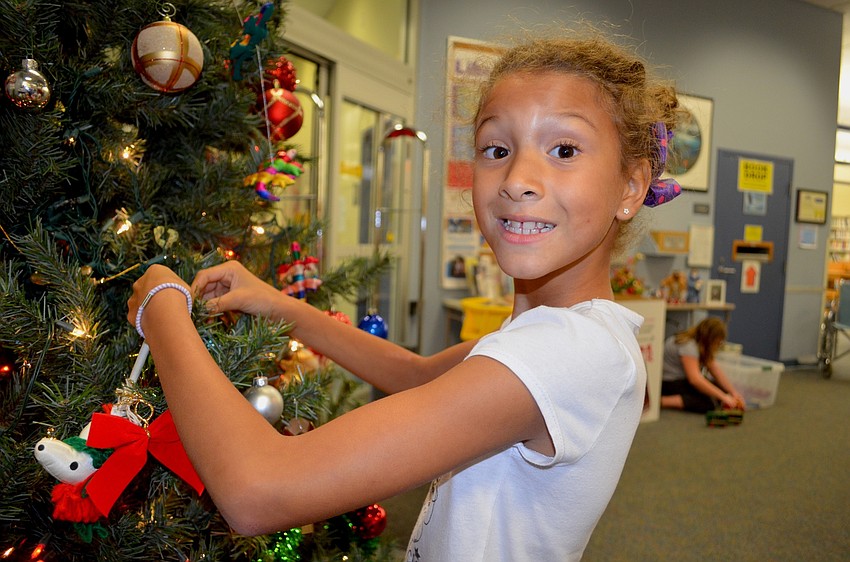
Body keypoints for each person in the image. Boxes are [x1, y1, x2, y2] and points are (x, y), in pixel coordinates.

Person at [127, 27, 682, 561]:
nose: (517, 178)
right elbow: (419, 378)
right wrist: (278, 303)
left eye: (563, 149)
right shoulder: (563, 330)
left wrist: (161, 309)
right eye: (496, 149)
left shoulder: (567, 348)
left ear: (631, 185)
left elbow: (259, 490)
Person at [660, 317, 746, 413]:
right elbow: (695, 380)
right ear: (709, 339)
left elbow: (715, 370)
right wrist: (724, 397)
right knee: (708, 403)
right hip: (669, 382)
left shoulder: (699, 343)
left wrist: (733, 393)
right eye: (717, 342)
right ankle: (662, 401)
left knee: (718, 390)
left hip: (682, 380)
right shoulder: (688, 346)